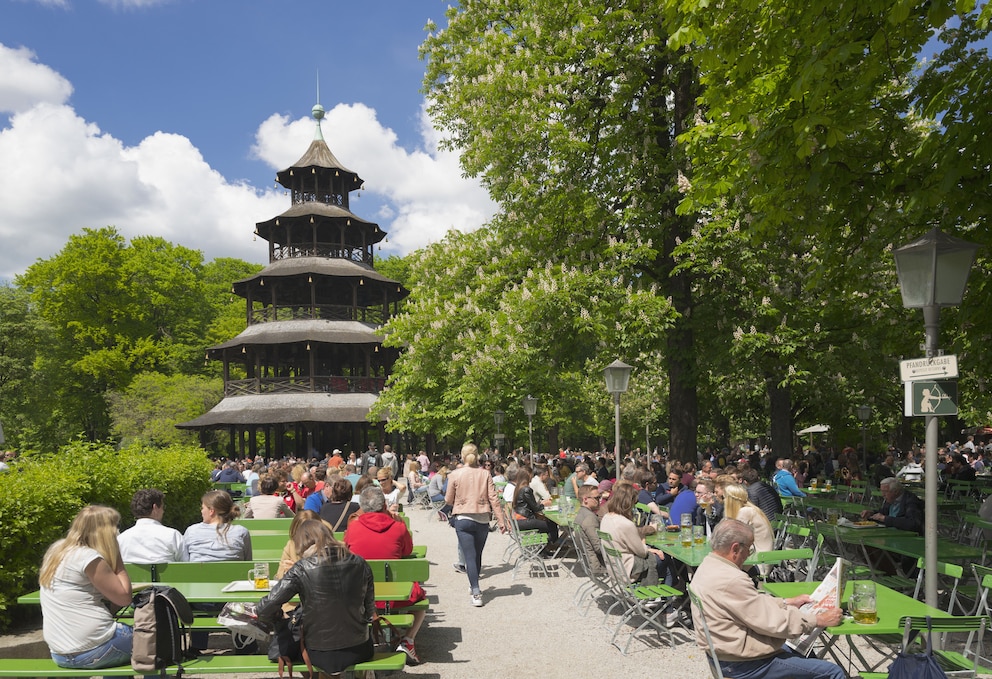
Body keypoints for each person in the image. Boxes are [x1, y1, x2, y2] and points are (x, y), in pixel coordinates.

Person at [690, 519, 845, 679]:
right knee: (833, 673)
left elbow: (751, 604)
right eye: (749, 549)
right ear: (735, 548)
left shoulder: (707, 566)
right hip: (743, 665)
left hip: (724, 656)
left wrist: (786, 602)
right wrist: (818, 620)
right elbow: (773, 622)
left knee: (802, 652)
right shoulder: (732, 579)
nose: (749, 555)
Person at [255, 521, 374, 676]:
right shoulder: (360, 563)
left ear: (302, 543)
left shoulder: (302, 568)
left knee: (293, 645)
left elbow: (264, 608)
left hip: (318, 652)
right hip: (360, 647)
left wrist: (279, 618)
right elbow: (369, 610)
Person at [39, 505, 134, 670]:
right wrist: (117, 558)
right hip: (95, 648)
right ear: (105, 531)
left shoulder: (57, 550)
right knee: (157, 640)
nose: (117, 532)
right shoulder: (88, 557)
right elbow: (124, 598)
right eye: (115, 526)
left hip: (60, 653)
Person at [345, 487, 425, 665]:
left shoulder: (354, 527)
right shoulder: (397, 527)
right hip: (393, 597)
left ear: (363, 507)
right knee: (421, 603)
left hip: (360, 595)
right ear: (384, 505)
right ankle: (408, 640)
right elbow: (408, 550)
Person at [444, 443, 509, 607]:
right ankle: (474, 585)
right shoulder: (485, 474)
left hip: (463, 517)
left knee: (469, 556)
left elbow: (448, 500)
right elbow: (494, 499)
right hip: (482, 518)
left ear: (462, 456)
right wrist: (501, 521)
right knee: (477, 554)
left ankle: (475, 590)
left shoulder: (455, 474)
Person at [118, 488, 185, 563]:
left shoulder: (121, 539)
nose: (163, 511)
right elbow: (187, 566)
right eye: (163, 507)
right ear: (155, 508)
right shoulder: (173, 536)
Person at [183, 489, 252, 561]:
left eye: (203, 508)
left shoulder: (192, 531)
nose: (201, 511)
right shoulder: (241, 532)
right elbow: (248, 562)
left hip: (197, 572)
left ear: (211, 511)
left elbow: (185, 562)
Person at [511, 467, 560, 548]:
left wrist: (541, 503)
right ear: (527, 476)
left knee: (545, 523)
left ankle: (543, 548)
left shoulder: (519, 488)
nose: (532, 477)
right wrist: (545, 504)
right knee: (551, 524)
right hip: (524, 519)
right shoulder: (526, 489)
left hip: (518, 519)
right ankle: (547, 547)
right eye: (531, 475)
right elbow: (536, 508)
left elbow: (530, 504)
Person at [860, 477, 924, 534]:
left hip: (906, 538)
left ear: (895, 491)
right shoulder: (891, 499)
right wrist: (871, 514)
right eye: (881, 491)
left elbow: (913, 524)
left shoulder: (911, 501)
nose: (883, 495)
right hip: (890, 534)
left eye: (885, 492)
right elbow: (884, 512)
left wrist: (885, 519)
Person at [574, 484, 606, 574]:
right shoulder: (590, 518)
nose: (599, 501)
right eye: (596, 498)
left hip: (586, 562)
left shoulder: (580, 513)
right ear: (585, 499)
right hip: (597, 565)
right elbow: (598, 548)